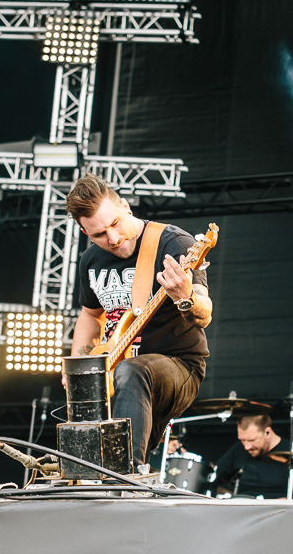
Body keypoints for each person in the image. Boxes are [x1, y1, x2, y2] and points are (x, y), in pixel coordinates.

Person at [65, 173, 213, 470]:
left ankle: (124, 477)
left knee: (132, 370)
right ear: (85, 232)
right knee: (87, 451)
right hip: (117, 370)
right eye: (99, 234)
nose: (113, 239)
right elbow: (91, 315)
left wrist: (185, 298)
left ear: (125, 206)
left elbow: (205, 313)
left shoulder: (173, 243)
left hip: (178, 366)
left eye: (115, 224)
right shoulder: (91, 260)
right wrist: (79, 366)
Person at [213, 415, 293, 498]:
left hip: (279, 513)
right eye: (242, 440)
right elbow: (213, 478)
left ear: (267, 432)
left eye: (251, 440)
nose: (246, 446)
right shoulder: (238, 450)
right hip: (243, 512)